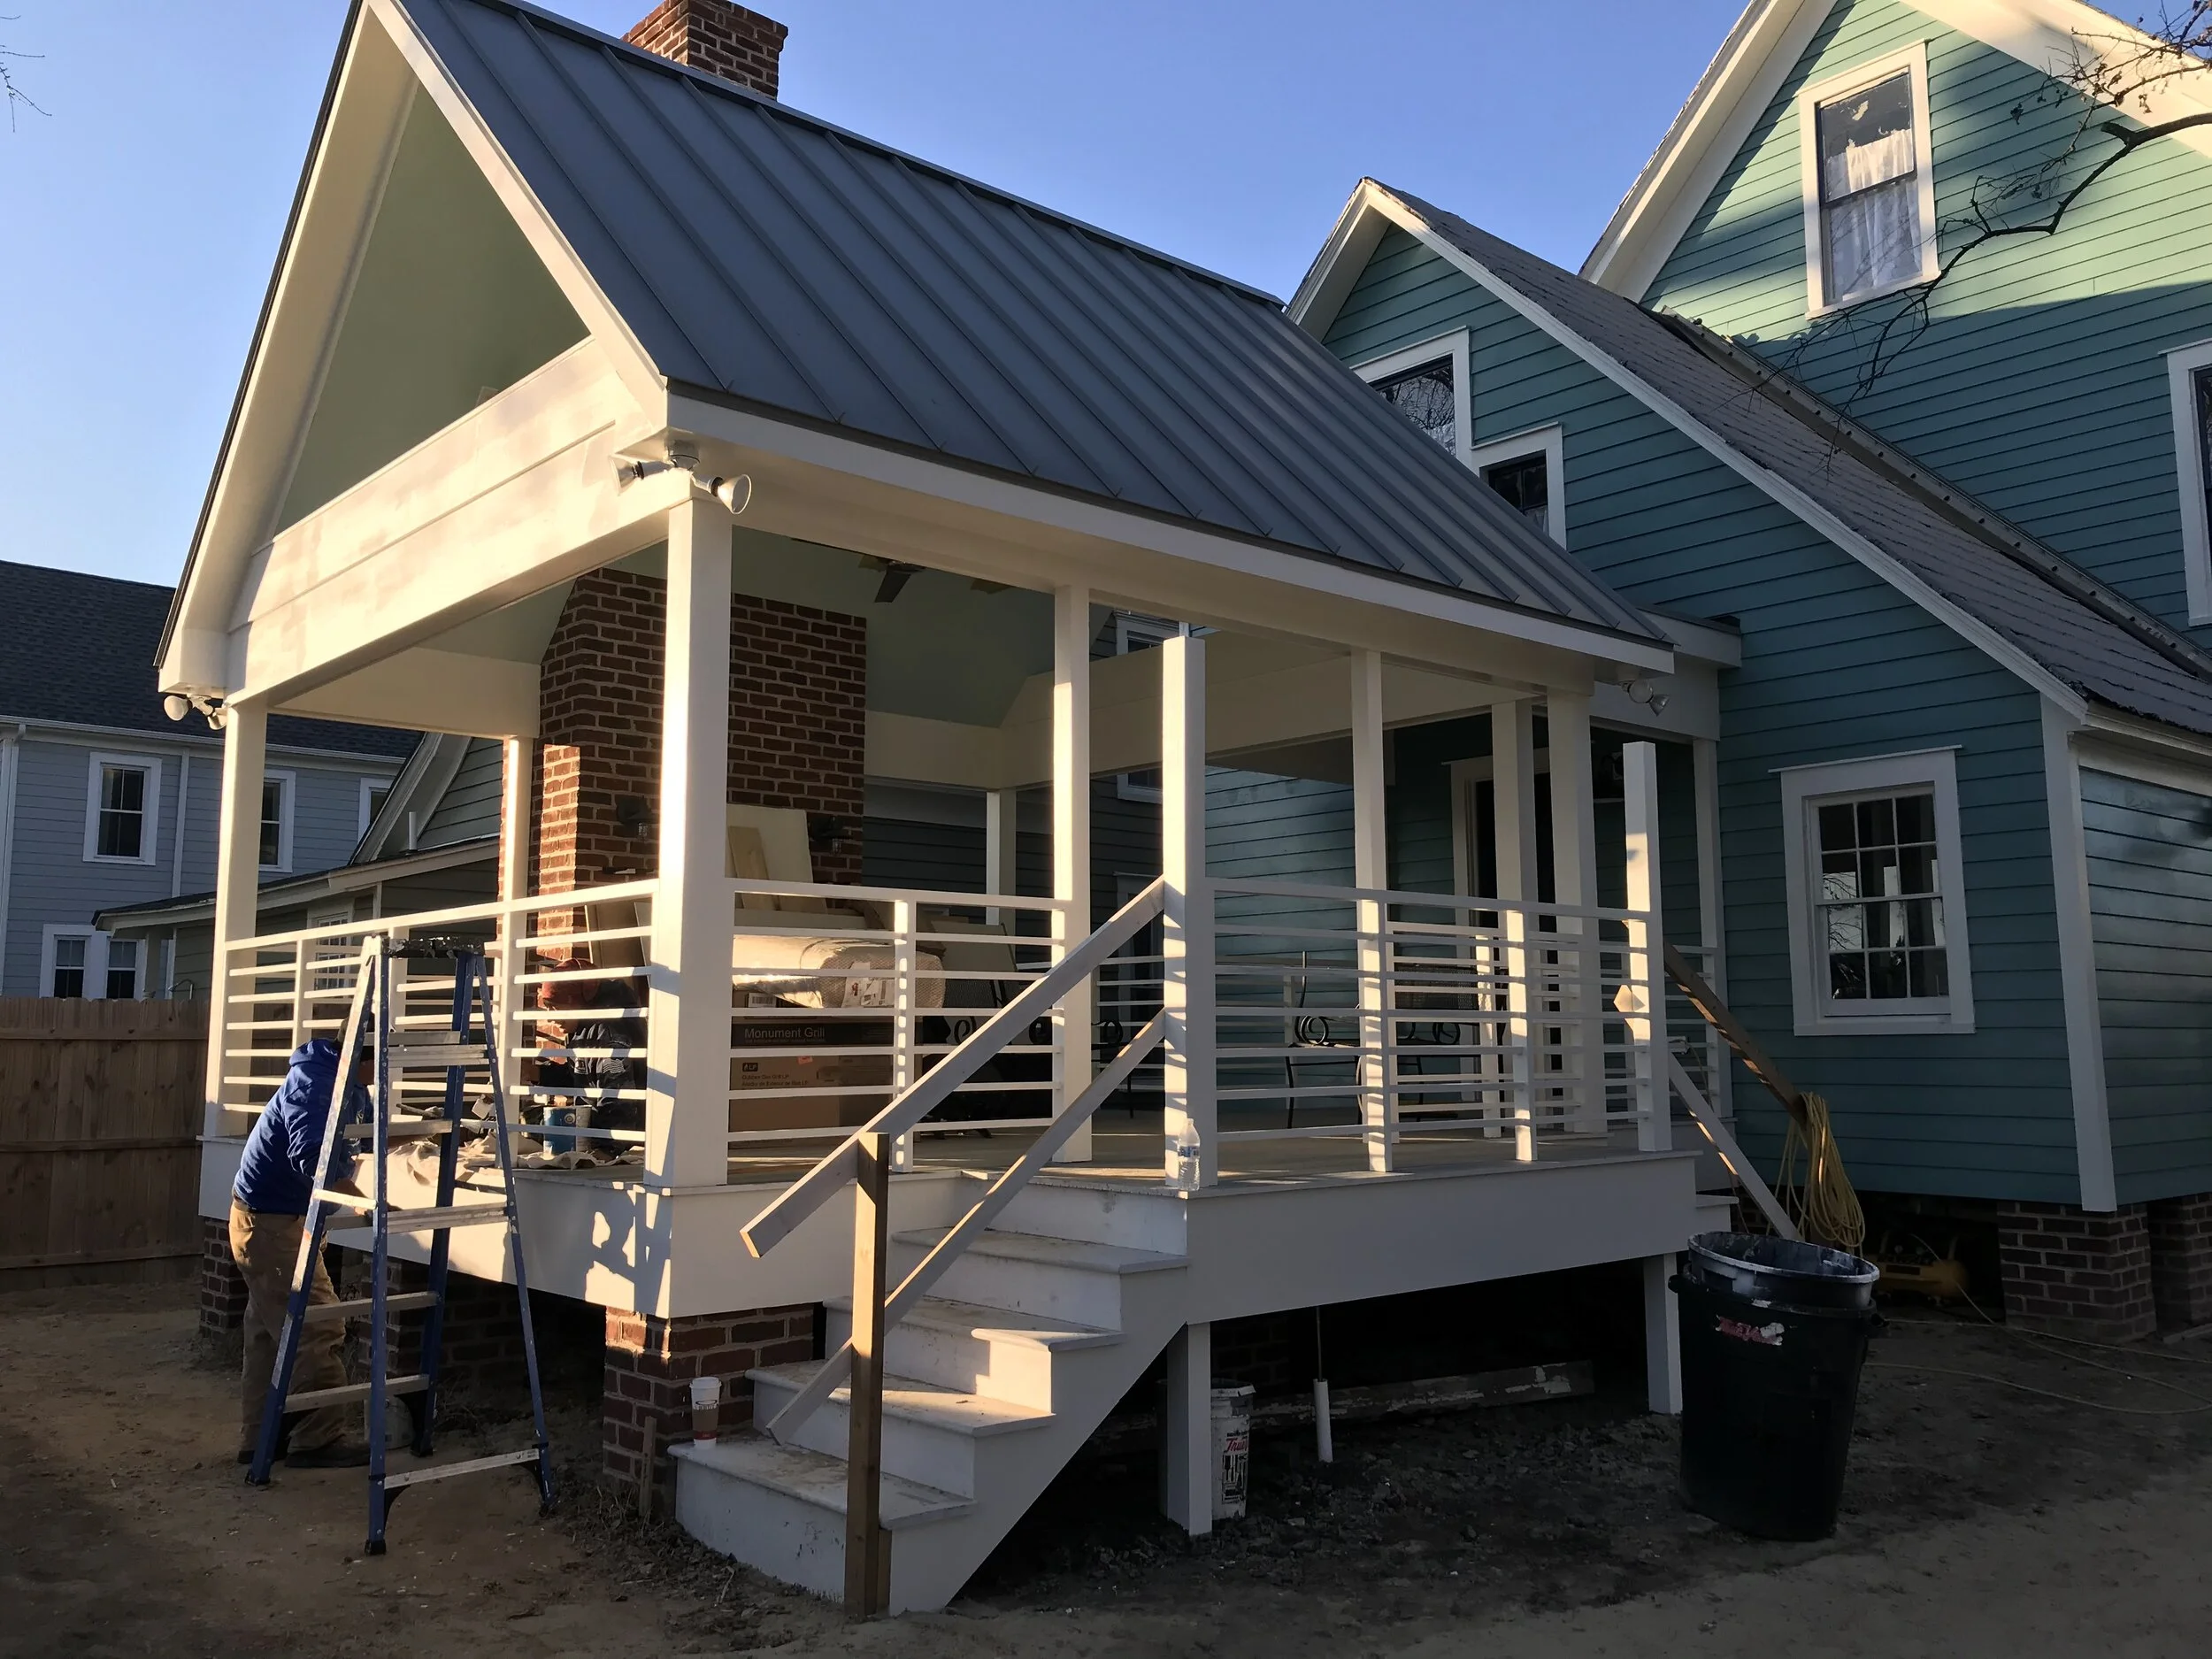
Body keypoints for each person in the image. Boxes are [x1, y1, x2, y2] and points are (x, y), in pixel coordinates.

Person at [229, 1038, 373, 1468]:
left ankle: (261, 1438)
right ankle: (316, 1438)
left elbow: (361, 1141)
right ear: (363, 1055)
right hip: (270, 1223)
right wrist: (366, 1204)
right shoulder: (316, 1083)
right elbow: (313, 1158)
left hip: (278, 1218)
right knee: (316, 1326)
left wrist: (423, 1133)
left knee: (268, 1334)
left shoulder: (349, 1084)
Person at [534, 958, 645, 1157]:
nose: (550, 1017)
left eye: (556, 1007)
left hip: (620, 1149)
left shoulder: (608, 1033)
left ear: (579, 1002)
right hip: (598, 1140)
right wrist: (537, 1074)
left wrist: (604, 1151)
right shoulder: (583, 1030)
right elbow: (580, 1078)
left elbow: (620, 1100)